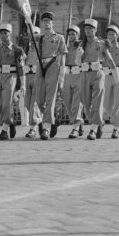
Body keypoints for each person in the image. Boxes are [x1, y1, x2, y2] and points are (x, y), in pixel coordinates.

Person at [80, 18, 116, 140]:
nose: (88, 31)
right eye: (86, 29)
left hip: (98, 73)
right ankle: (99, 121)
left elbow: (110, 59)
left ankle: (93, 130)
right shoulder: (81, 44)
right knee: (86, 104)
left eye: (90, 29)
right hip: (85, 74)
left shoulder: (101, 43)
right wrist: (79, 53)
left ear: (95, 30)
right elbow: (76, 62)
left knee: (97, 102)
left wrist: (116, 76)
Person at [0, 22, 25, 140]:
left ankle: (4, 130)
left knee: (7, 103)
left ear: (10, 34)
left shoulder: (17, 49)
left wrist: (23, 85)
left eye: (6, 33)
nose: (3, 35)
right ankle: (10, 122)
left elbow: (21, 68)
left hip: (11, 76)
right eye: (1, 33)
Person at [35, 12, 68, 140]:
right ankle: (52, 118)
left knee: (50, 98)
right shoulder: (40, 38)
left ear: (53, 23)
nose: (46, 23)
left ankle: (46, 128)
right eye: (44, 21)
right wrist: (27, 22)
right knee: (39, 99)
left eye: (49, 21)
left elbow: (63, 56)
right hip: (41, 66)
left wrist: (62, 75)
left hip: (53, 65)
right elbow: (30, 35)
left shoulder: (59, 37)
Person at [62, 25, 85, 139]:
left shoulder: (81, 44)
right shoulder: (65, 46)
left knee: (77, 102)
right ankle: (78, 122)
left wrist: (81, 50)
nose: (71, 36)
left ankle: (75, 128)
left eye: (73, 34)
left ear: (78, 35)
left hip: (78, 74)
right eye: (70, 34)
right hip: (67, 74)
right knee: (67, 101)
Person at [23, 26, 43, 138]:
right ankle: (39, 120)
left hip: (37, 76)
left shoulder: (42, 48)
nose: (33, 36)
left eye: (35, 33)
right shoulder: (25, 48)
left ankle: (33, 128)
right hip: (27, 76)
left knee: (34, 103)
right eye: (31, 34)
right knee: (27, 104)